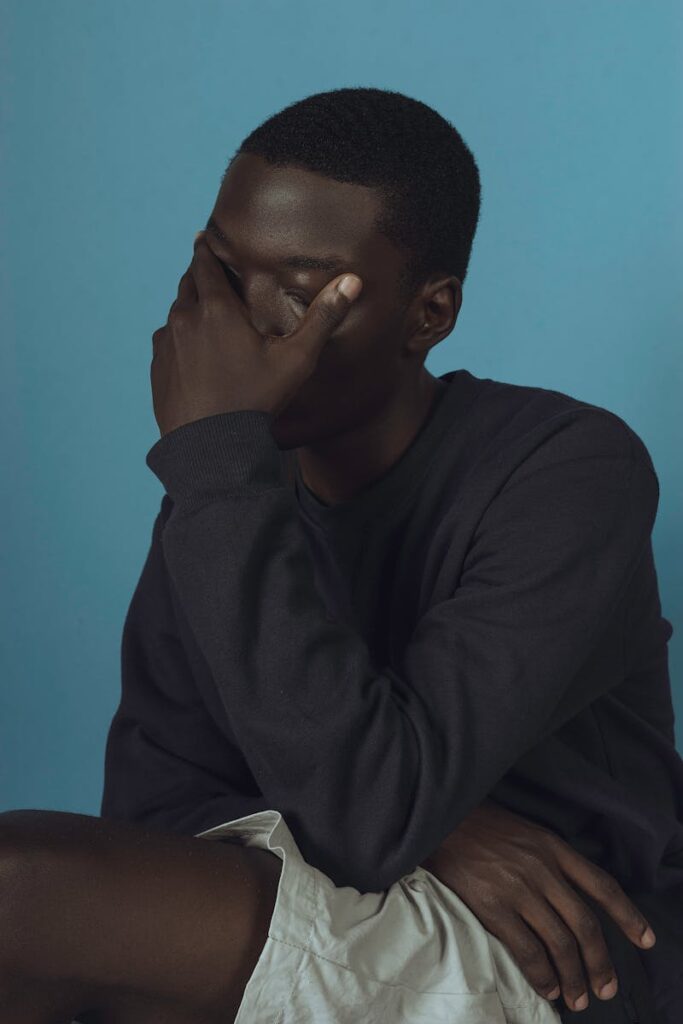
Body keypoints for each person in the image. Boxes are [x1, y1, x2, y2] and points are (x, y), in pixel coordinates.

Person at [2, 86, 681, 1023]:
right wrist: (441, 828)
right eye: (222, 268)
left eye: (304, 284)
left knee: (21, 890)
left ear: (427, 313)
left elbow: (370, 811)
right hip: (339, 890)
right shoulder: (232, 489)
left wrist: (402, 818)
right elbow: (157, 805)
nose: (246, 321)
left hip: (550, 958)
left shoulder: (565, 468)